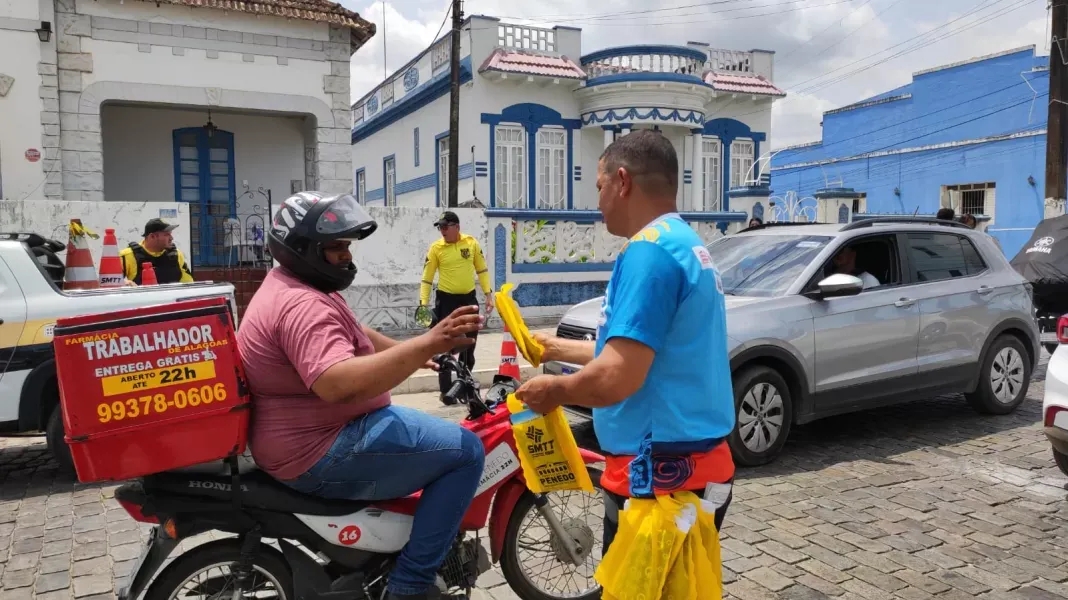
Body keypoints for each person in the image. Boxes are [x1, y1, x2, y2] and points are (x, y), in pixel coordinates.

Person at [236, 192, 486, 600]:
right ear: (303, 249)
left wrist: (412, 350)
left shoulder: (297, 282)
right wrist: (428, 344)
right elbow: (337, 384)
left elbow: (354, 331)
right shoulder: (302, 305)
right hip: (320, 449)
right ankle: (410, 584)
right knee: (466, 452)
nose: (346, 257)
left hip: (310, 436)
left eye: (347, 246)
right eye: (335, 248)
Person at [513, 131, 736, 553]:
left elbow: (617, 375)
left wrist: (555, 390)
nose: (597, 202)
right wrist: (556, 350)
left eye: (599, 187)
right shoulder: (683, 243)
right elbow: (643, 354)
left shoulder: (648, 253)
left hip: (664, 478)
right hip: (687, 467)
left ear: (622, 180)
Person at [419, 211, 494, 399]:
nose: (442, 231)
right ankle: (446, 391)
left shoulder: (471, 243)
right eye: (440, 227)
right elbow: (427, 279)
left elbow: (482, 269)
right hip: (446, 301)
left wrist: (488, 294)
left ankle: (464, 388)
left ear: (456, 227)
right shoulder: (436, 248)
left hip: (468, 299)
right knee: (445, 346)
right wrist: (423, 304)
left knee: (469, 345)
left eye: (445, 226)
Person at [120, 218, 195, 285]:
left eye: (170, 234)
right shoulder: (127, 255)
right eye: (167, 235)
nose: (171, 238)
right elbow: (111, 284)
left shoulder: (176, 255)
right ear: (152, 236)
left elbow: (189, 285)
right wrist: (126, 284)